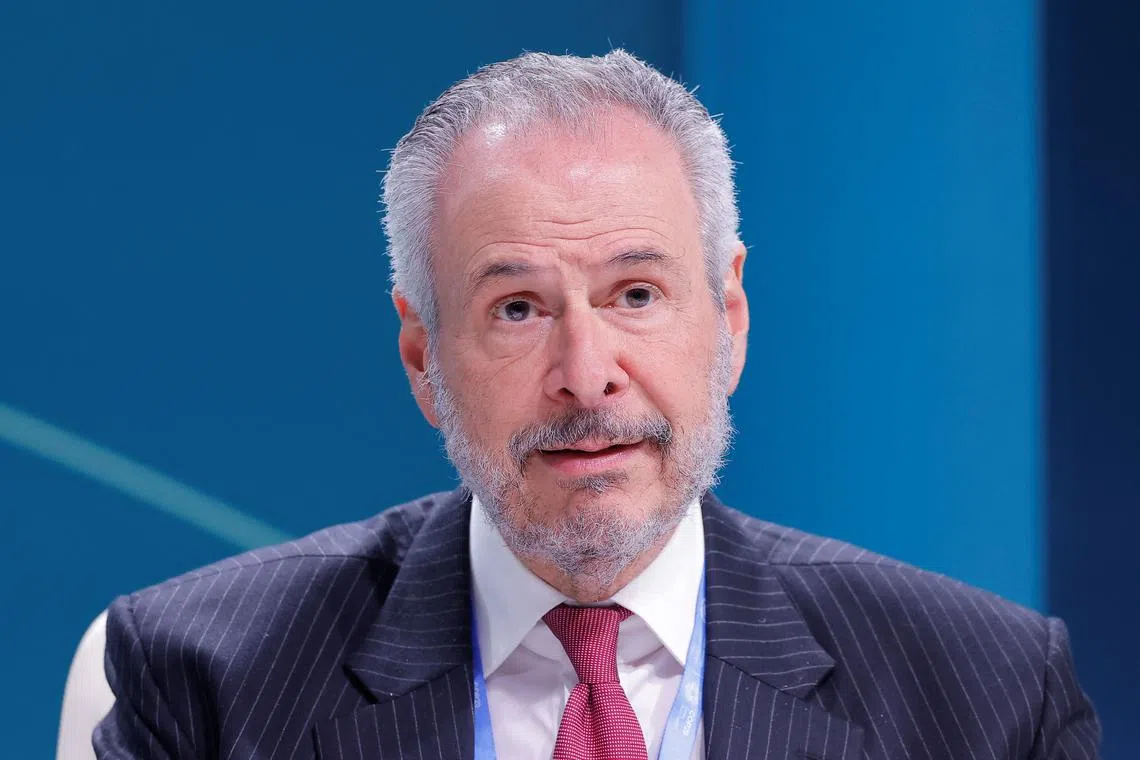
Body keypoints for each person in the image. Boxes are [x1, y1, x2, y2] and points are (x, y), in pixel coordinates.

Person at [93, 50, 1099, 760]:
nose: (587, 371)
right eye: (519, 306)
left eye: (636, 295)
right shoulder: (206, 681)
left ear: (732, 317)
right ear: (422, 358)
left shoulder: (985, 692)